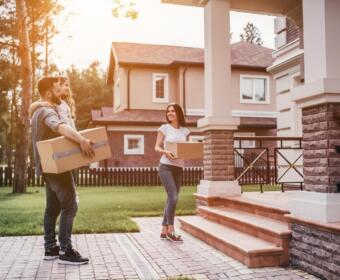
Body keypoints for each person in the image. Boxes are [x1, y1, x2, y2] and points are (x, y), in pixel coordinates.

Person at [31, 77, 94, 265]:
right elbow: (59, 126)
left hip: (46, 167)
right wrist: (81, 140)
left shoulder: (37, 112)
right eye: (58, 90)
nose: (61, 92)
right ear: (49, 93)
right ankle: (66, 251)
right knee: (70, 206)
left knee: (52, 208)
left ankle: (50, 248)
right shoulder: (46, 112)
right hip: (57, 168)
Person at [155, 103, 190, 242]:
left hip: (178, 167)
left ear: (178, 113)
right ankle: (171, 229)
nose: (170, 113)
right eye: (168, 111)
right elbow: (156, 147)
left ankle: (164, 230)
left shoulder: (185, 131)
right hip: (166, 166)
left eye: (173, 111)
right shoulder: (164, 128)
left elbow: (184, 149)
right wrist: (166, 152)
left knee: (171, 198)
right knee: (174, 197)